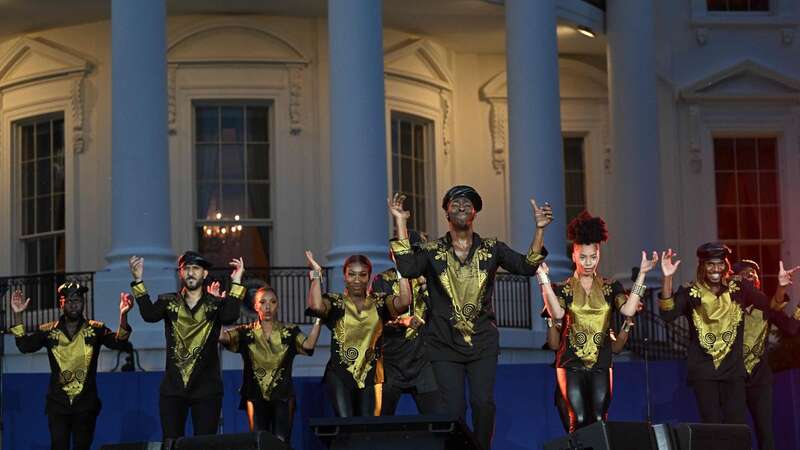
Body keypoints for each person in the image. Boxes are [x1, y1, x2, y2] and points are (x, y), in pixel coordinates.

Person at [388, 186, 550, 449]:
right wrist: (401, 222)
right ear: (446, 213)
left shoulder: (492, 248)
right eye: (455, 203)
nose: (461, 206)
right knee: (453, 408)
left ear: (475, 212)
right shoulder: (431, 250)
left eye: (467, 203)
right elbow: (406, 267)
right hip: (442, 343)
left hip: (482, 342)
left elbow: (527, 266)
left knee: (482, 403)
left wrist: (540, 229)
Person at [536, 211, 655, 432]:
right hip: (570, 363)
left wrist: (643, 275)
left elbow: (629, 309)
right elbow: (557, 314)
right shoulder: (563, 288)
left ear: (599, 255)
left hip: (601, 363)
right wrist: (544, 280)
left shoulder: (611, 287)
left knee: (600, 419)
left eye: (593, 256)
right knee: (578, 419)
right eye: (583, 257)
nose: (588, 262)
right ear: (573, 255)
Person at [658, 243, 799, 424]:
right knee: (713, 425)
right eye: (710, 264)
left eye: (720, 263)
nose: (716, 269)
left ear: (726, 266)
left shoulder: (739, 287)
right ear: (702, 266)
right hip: (704, 372)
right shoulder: (690, 291)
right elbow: (667, 313)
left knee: (736, 426)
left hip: (733, 373)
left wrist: (781, 287)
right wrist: (667, 278)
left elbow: (770, 307)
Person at [128, 251, 245, 438]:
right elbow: (149, 315)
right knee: (171, 443)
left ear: (205, 274)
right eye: (186, 268)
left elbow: (230, 315)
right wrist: (138, 280)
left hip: (207, 390)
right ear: (180, 273)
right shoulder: (168, 301)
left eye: (196, 268)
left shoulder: (215, 304)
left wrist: (237, 281)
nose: (191, 272)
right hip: (173, 389)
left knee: (204, 444)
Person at [11, 282, 132, 450]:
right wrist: (18, 316)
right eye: (68, 300)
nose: (73, 304)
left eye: (77, 300)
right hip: (57, 405)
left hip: (86, 405)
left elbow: (119, 342)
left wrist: (123, 316)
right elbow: (24, 346)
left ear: (83, 303)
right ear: (61, 304)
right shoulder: (49, 331)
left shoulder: (95, 329)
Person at [305, 251, 410, 417]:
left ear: (369, 277)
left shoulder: (380, 301)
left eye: (362, 275)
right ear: (345, 276)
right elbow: (316, 306)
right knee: (346, 425)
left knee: (367, 427)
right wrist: (316, 273)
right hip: (339, 374)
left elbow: (404, 303)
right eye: (351, 274)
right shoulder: (335, 301)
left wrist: (401, 269)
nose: (356, 280)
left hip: (371, 375)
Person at [219, 283, 322, 441]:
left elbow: (308, 345)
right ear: (255, 306)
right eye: (263, 302)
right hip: (254, 395)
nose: (268, 306)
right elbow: (222, 337)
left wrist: (319, 321)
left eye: (272, 302)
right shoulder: (246, 332)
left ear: (278, 306)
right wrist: (217, 310)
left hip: (283, 395)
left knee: (281, 440)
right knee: (259, 440)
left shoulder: (289, 331)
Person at [733, 260, 800, 450]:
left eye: (754, 273)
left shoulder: (765, 305)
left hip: (760, 379)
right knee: (736, 431)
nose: (752, 276)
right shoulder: (725, 305)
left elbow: (790, 327)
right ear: (735, 278)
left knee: (766, 433)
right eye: (746, 273)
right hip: (733, 377)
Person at [371, 228, 439, 415]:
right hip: (392, 361)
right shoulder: (382, 280)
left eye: (414, 252)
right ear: (392, 254)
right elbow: (378, 318)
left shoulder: (432, 281)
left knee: (438, 421)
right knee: (382, 421)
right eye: (403, 252)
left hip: (423, 360)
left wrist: (426, 285)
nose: (408, 256)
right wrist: (403, 321)